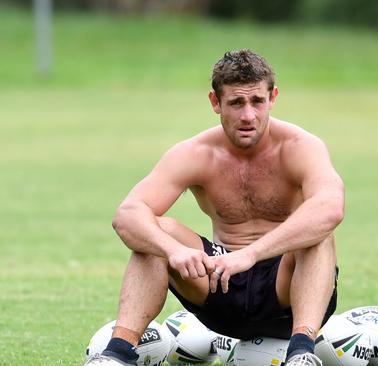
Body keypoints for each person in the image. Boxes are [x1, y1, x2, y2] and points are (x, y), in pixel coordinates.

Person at [85, 49, 344, 366]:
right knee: (157, 229)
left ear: (272, 97)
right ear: (215, 102)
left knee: (318, 235)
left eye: (257, 102)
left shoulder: (301, 147)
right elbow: (127, 215)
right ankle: (118, 355)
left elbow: (330, 208)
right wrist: (173, 250)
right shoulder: (195, 153)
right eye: (236, 103)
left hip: (285, 293)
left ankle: (301, 353)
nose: (248, 115)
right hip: (220, 289)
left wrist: (249, 254)